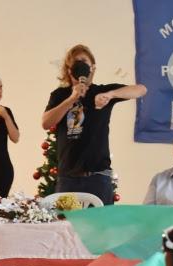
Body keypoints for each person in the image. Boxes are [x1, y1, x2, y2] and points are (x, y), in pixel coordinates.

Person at [41, 44, 147, 205]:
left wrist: (110, 95)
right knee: (66, 226)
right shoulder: (60, 95)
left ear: (93, 67)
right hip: (68, 178)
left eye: (84, 61)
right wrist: (71, 99)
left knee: (102, 227)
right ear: (69, 70)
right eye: (76, 62)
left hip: (98, 177)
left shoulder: (101, 91)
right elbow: (46, 122)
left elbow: (141, 90)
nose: (80, 65)